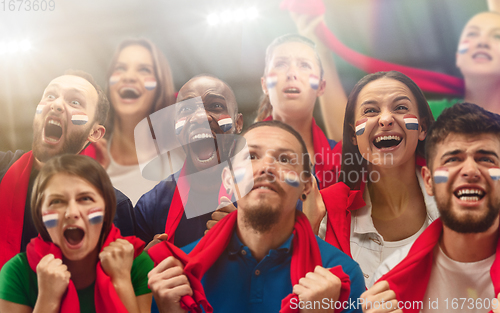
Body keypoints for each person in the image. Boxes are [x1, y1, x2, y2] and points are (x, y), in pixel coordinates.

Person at [147, 120, 365, 313]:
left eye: (285, 159)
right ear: (228, 180)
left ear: (306, 185)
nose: (267, 167)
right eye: (251, 156)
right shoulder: (179, 276)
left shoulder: (341, 276)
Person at [361, 102, 500, 313]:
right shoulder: (390, 277)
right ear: (428, 181)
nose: (470, 170)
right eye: (453, 159)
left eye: (486, 159)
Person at [0, 71, 136, 268]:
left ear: (95, 133)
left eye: (75, 102)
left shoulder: (112, 207)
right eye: (50, 96)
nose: (56, 104)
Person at [315, 71, 437, 286]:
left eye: (400, 108)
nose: (386, 119)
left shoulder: (456, 200)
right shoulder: (325, 211)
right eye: (370, 111)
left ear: (422, 127)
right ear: (353, 135)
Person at [0, 155, 153, 313]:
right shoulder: (17, 271)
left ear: (107, 210)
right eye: (56, 201)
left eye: (85, 198)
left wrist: (121, 281)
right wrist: (47, 300)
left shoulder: (136, 263)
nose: (71, 213)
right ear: (41, 214)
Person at [134, 74, 243, 248]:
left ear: (238, 123)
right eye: (187, 110)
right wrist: (144, 264)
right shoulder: (151, 205)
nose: (199, 117)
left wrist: (247, 241)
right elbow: (125, 272)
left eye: (215, 106)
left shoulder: (265, 194)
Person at [92, 38, 176, 205]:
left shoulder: (185, 159)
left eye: (144, 70)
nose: (129, 77)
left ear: (161, 84)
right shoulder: (87, 159)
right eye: (120, 68)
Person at [255, 34, 341, 190]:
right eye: (281, 64)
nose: (292, 73)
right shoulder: (237, 157)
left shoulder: (343, 161)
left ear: (321, 87)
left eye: (304, 65)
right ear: (265, 84)